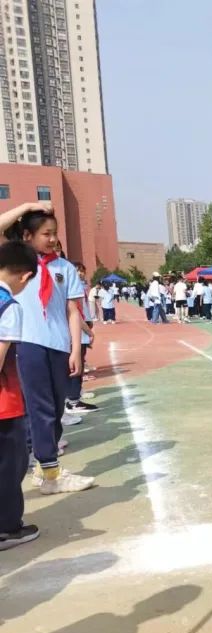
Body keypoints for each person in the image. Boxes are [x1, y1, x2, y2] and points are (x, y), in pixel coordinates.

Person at [0, 203, 94, 494]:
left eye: (55, 233)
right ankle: (51, 472)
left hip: (59, 345)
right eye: (46, 233)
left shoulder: (64, 268)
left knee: (54, 410)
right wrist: (28, 206)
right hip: (28, 344)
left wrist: (76, 349)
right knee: (40, 410)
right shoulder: (18, 262)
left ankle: (44, 468)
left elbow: (72, 311)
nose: (52, 239)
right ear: (27, 235)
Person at [0, 241, 41, 548]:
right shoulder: (9, 307)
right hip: (5, 405)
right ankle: (8, 527)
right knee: (11, 465)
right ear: (26, 278)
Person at [65, 262, 98, 415]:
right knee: (75, 368)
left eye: (82, 271)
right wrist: (89, 332)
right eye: (77, 271)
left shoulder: (80, 288)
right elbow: (75, 314)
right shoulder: (71, 291)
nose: (80, 274)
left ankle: (74, 398)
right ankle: (72, 401)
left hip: (82, 330)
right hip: (78, 332)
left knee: (79, 366)